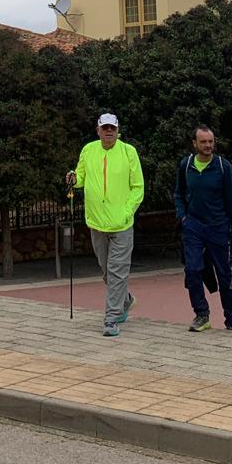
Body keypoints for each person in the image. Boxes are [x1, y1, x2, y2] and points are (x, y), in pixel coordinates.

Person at [66, 113, 144, 337]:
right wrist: (73, 177)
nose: (109, 131)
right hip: (97, 223)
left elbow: (138, 187)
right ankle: (126, 300)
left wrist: (126, 211)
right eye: (105, 128)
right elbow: (80, 176)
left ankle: (111, 319)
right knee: (107, 271)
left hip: (121, 225)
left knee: (117, 271)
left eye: (113, 128)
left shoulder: (129, 152)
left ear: (118, 131)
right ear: (98, 130)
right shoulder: (88, 150)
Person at [175, 125, 232, 333]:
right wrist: (183, 217)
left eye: (211, 141)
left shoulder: (223, 166)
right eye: (203, 142)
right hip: (193, 226)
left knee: (224, 275)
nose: (208, 146)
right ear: (194, 143)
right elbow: (179, 194)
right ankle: (201, 314)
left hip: (218, 226)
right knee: (193, 270)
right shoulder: (186, 165)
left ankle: (231, 321)